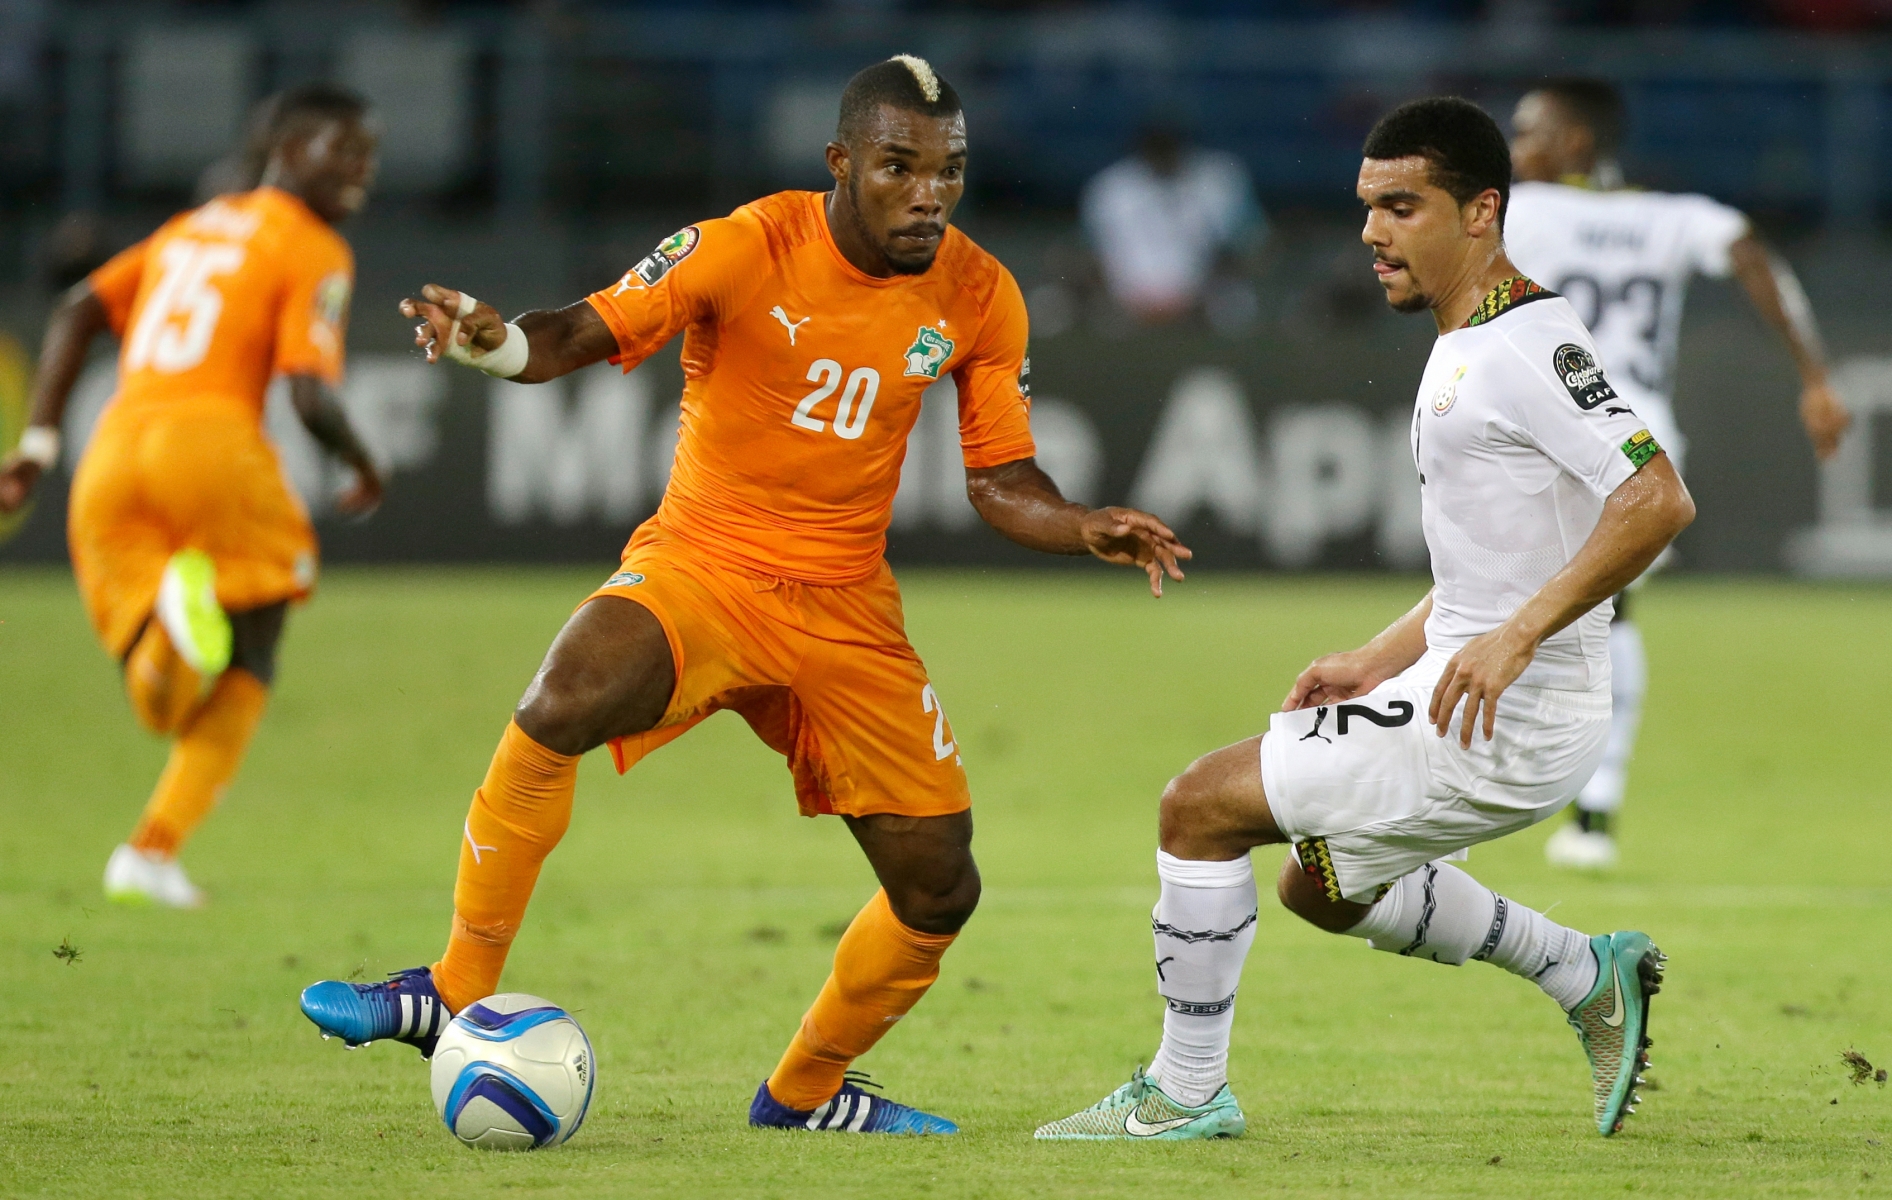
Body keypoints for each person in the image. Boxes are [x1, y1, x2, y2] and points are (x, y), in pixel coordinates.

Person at [297, 55, 1189, 1135]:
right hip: (703, 568)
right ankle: (452, 986)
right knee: (559, 702)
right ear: (840, 163)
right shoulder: (743, 245)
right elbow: (584, 328)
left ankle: (804, 1095)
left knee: (938, 888)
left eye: (947, 171)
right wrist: (502, 344)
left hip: (846, 608)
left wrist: (1079, 524)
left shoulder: (977, 291)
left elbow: (1000, 480)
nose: (927, 194)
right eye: (898, 167)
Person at [1037, 97, 1695, 1143]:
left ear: (1480, 213)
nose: (1370, 233)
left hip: (1509, 714)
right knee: (1321, 888)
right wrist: (1371, 658)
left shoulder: (1521, 346)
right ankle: (1582, 970)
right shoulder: (1467, 339)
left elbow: (1656, 499)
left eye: (1400, 207)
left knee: (1196, 808)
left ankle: (1184, 1091)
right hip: (1465, 683)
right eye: (1365, 207)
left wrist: (1517, 637)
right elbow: (1489, 567)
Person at [0, 84, 383, 907]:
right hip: (210, 445)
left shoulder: (187, 226)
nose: (359, 171)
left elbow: (74, 310)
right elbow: (310, 396)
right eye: (342, 151)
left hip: (111, 452)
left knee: (159, 692)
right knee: (255, 649)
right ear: (286, 153)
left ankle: (167, 664)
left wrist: (36, 444)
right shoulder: (312, 244)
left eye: (367, 157)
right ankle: (154, 847)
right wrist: (363, 462)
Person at [1506, 78, 1850, 870]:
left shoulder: (1521, 208)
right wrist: (1816, 378)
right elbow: (1753, 257)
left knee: (1515, 600)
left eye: (1529, 132)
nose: (1515, 147)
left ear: (1576, 145)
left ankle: (1512, 795)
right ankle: (1595, 809)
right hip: (1640, 437)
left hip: (1554, 423)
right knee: (1610, 613)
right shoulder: (1674, 215)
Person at [1080, 122, 1264, 327]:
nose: (1163, 159)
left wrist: (1199, 292)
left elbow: (1250, 243)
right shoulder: (1111, 188)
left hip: (1203, 297)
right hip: (1126, 298)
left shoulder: (1218, 181)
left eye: (1168, 151)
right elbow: (1092, 251)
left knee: (1235, 307)